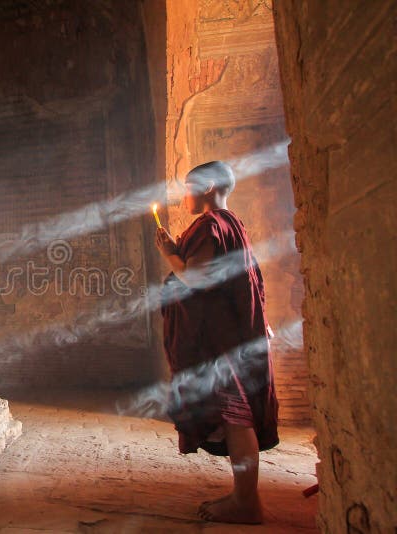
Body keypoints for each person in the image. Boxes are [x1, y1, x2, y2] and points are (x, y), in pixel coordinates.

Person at [154, 161, 279, 524]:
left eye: (190, 187)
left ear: (208, 186)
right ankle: (243, 496)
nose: (185, 195)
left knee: (236, 419)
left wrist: (170, 255)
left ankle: (246, 502)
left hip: (218, 341)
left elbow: (197, 279)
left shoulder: (211, 225)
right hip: (229, 336)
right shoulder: (232, 223)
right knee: (236, 416)